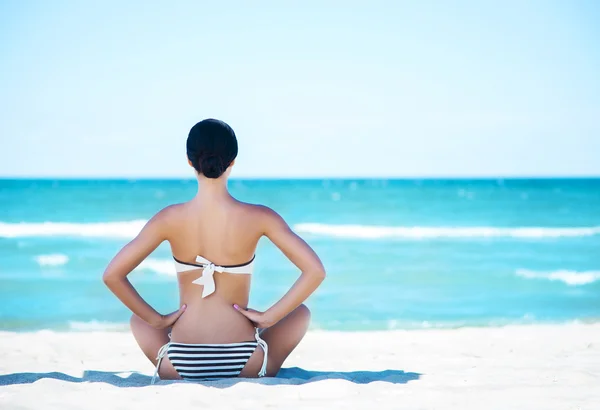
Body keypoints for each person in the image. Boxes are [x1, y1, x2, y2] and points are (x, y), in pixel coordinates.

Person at [102, 119, 326, 383]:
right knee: (301, 312)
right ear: (232, 161)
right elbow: (315, 271)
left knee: (139, 319)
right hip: (247, 362)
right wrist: (268, 318)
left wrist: (159, 320)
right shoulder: (260, 217)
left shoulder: (169, 218)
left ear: (189, 161)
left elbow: (112, 275)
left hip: (179, 362)